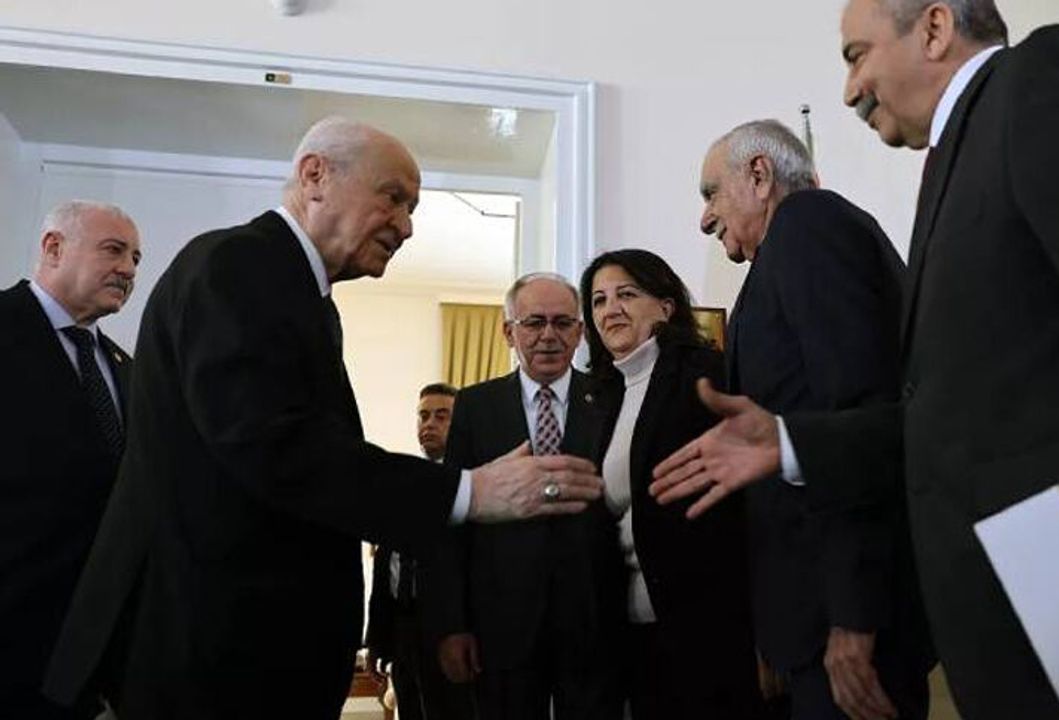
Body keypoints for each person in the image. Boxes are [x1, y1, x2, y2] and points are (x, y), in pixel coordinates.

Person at [653, 2, 1059, 719]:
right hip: (1031, 635)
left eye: (857, 55)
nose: (850, 90)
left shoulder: (1043, 81)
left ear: (935, 27)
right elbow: (945, 417)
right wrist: (793, 443)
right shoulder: (955, 163)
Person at [41, 117, 603, 720]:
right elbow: (273, 445)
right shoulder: (238, 265)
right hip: (216, 654)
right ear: (315, 176)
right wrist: (469, 491)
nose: (406, 226)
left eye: (411, 208)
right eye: (393, 197)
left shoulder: (300, 294)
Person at [697, 120, 932, 720]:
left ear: (759, 175)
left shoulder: (809, 224)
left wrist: (855, 616)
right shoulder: (780, 256)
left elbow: (859, 421)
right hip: (811, 621)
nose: (705, 218)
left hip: (849, 625)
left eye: (711, 193)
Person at [579, 249, 763, 719]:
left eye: (626, 294)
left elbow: (752, 503)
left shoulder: (707, 375)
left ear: (665, 305)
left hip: (710, 626)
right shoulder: (603, 395)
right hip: (633, 631)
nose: (610, 309)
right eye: (598, 300)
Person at [432, 273, 623, 720]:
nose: (548, 336)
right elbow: (453, 521)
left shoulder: (610, 398)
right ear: (508, 331)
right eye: (534, 322)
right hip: (502, 622)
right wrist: (451, 625)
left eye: (562, 323)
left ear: (580, 332)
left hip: (595, 619)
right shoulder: (475, 407)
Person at [0, 201, 141, 720]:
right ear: (54, 247)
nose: (128, 269)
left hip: (96, 658)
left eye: (135, 259)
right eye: (114, 250)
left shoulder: (126, 368)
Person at [367, 382, 475, 720]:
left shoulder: (472, 486)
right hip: (403, 630)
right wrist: (377, 638)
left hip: (452, 632)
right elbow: (386, 567)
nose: (429, 424)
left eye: (441, 416)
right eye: (423, 416)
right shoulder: (402, 482)